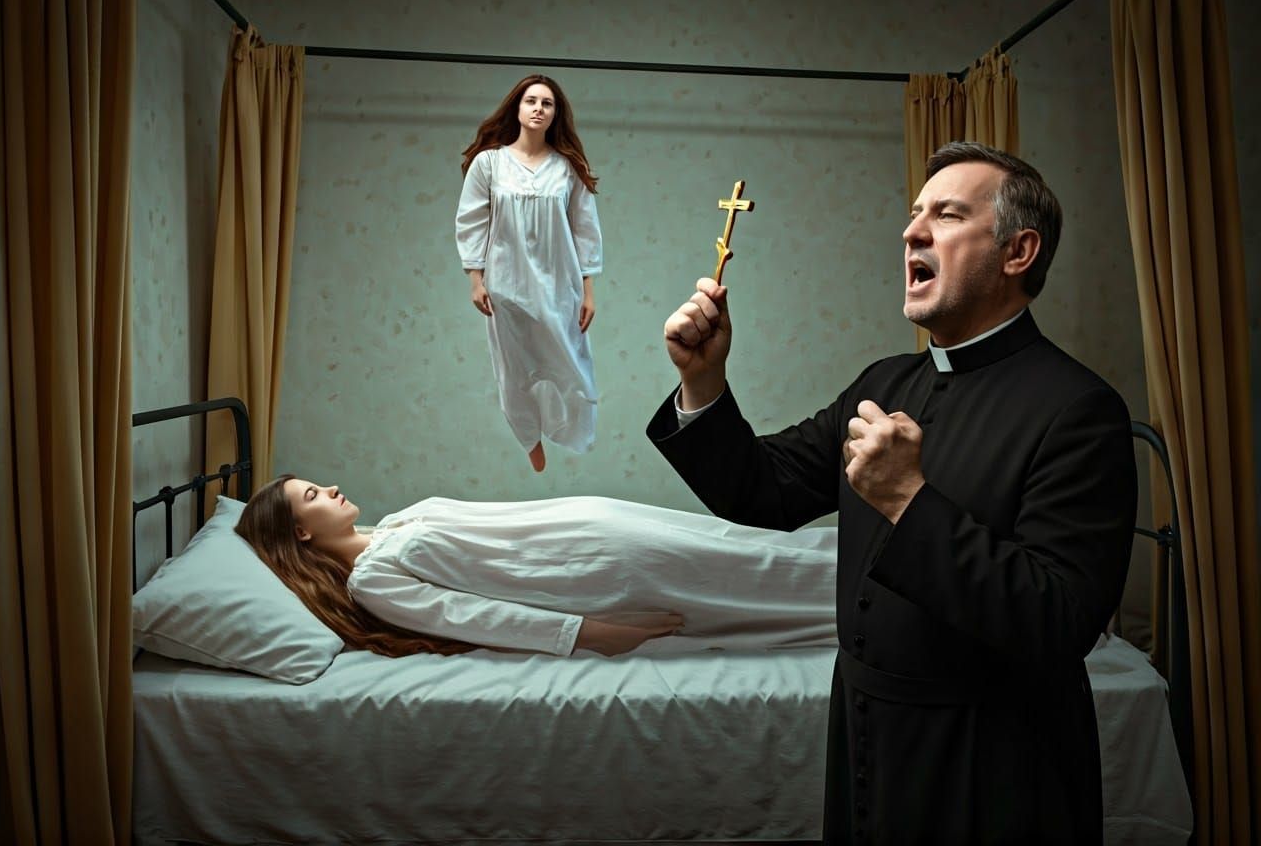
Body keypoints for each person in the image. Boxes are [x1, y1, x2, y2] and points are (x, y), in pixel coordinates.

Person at [648, 141, 1136, 845]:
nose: (911, 231)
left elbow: (1059, 621)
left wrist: (908, 500)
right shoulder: (883, 382)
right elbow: (763, 491)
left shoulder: (1081, 409)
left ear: (1018, 251)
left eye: (945, 214)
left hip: (997, 764)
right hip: (869, 736)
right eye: (914, 216)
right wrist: (703, 381)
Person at [234, 473, 838, 658]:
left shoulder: (393, 525)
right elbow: (476, 617)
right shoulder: (373, 581)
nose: (332, 488)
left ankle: (890, 567)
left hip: (606, 526)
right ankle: (883, 602)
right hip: (605, 572)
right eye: (312, 497)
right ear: (301, 533)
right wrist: (593, 633)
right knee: (763, 577)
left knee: (758, 548)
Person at [456, 74, 603, 473]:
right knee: (514, 367)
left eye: (547, 104)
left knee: (571, 365)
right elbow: (471, 221)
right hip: (507, 283)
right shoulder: (490, 164)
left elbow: (584, 229)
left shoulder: (567, 168)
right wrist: (476, 279)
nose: (538, 108)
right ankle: (529, 436)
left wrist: (588, 290)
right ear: (517, 109)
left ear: (556, 115)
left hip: (559, 282)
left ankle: (568, 429)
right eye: (531, 101)